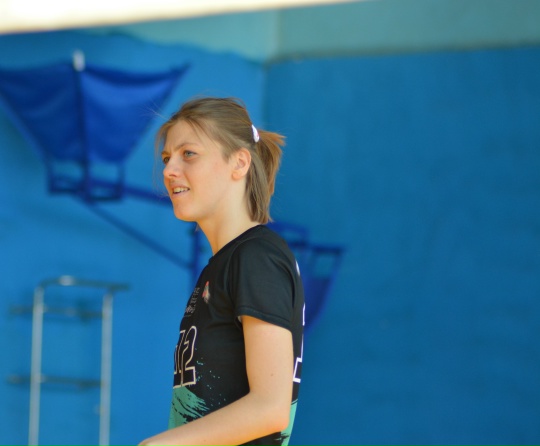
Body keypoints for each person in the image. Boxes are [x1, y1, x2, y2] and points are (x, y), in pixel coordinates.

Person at [138, 97, 305, 446]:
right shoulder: (223, 265)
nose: (169, 170)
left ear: (239, 162)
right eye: (167, 158)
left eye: (188, 154)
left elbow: (271, 407)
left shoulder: (256, 257)